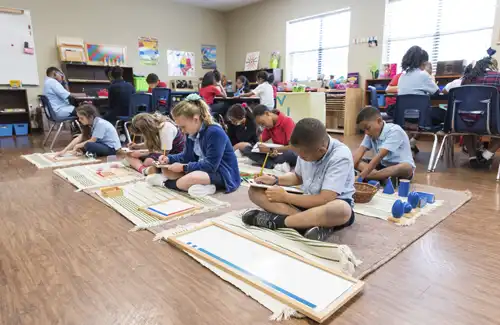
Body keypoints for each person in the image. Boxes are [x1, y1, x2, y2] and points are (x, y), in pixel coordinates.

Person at [241, 118, 355, 241]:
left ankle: (279, 222)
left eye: (304, 157)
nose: (301, 158)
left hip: (328, 205)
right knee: (255, 191)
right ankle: (312, 224)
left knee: (342, 210)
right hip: (306, 200)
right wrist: (274, 179)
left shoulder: (340, 156)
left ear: (321, 151)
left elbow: (324, 199)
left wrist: (285, 197)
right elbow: (298, 177)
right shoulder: (307, 148)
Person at [146, 94, 240, 197]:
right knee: (167, 169)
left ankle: (165, 183)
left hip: (222, 173)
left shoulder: (214, 132)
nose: (181, 130)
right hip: (203, 170)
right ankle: (205, 186)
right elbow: (186, 156)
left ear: (195, 119)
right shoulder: (191, 132)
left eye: (183, 126)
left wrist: (183, 167)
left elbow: (211, 166)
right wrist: (168, 159)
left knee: (191, 178)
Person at [352, 106, 415, 184]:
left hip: (398, 170)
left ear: (379, 121)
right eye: (364, 130)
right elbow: (360, 152)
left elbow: (379, 156)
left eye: (367, 128)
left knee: (406, 167)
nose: (366, 133)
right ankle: (378, 176)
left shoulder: (395, 131)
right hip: (382, 167)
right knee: (355, 160)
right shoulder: (369, 134)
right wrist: (346, 171)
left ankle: (373, 176)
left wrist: (360, 177)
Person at [397, 46, 440, 154]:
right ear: (423, 62)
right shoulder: (423, 75)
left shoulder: (402, 76)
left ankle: (410, 143)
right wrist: (431, 76)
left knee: (420, 113)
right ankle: (412, 142)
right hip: (422, 119)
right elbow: (436, 92)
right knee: (439, 114)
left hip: (404, 118)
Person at [461, 56, 500, 168]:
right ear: (493, 66)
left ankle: (472, 156)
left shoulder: (467, 79)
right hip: (492, 122)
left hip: (467, 121)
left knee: (468, 123)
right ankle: (486, 155)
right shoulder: (498, 77)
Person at [240, 105, 297, 172]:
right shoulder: (269, 126)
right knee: (248, 149)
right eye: (261, 125)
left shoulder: (287, 121)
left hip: (289, 152)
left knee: (288, 154)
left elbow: (293, 147)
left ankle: (271, 163)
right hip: (276, 153)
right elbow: (260, 141)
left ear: (267, 114)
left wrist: (272, 149)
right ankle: (274, 164)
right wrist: (263, 147)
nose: (263, 126)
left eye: (263, 123)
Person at [55, 104, 121, 157]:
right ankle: (86, 152)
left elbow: (93, 140)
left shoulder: (100, 123)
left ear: (90, 117)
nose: (79, 120)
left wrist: (77, 146)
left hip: (112, 149)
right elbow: (79, 137)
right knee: (82, 141)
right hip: (102, 145)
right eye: (79, 118)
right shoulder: (90, 124)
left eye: (81, 118)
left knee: (88, 144)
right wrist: (64, 150)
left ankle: (88, 152)